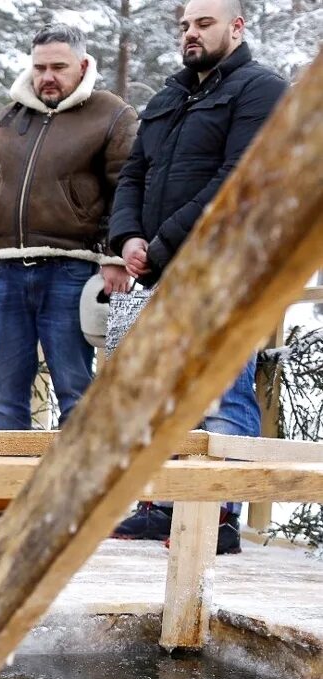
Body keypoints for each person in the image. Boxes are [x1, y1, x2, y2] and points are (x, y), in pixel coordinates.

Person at [106, 0, 288, 553]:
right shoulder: (168, 97)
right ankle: (166, 505)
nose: (191, 33)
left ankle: (218, 514)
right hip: (163, 268)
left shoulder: (262, 90)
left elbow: (239, 181)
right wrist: (128, 237)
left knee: (222, 389)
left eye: (204, 23)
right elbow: (134, 173)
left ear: (237, 27)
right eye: (185, 24)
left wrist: (159, 243)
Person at [0, 24, 137, 514]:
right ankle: (5, 485)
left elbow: (128, 186)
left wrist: (115, 254)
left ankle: (76, 492)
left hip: (72, 269)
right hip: (9, 270)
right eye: (40, 67)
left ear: (82, 64)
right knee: (4, 384)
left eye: (58, 67)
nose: (48, 77)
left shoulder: (112, 114)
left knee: (75, 383)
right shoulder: (10, 117)